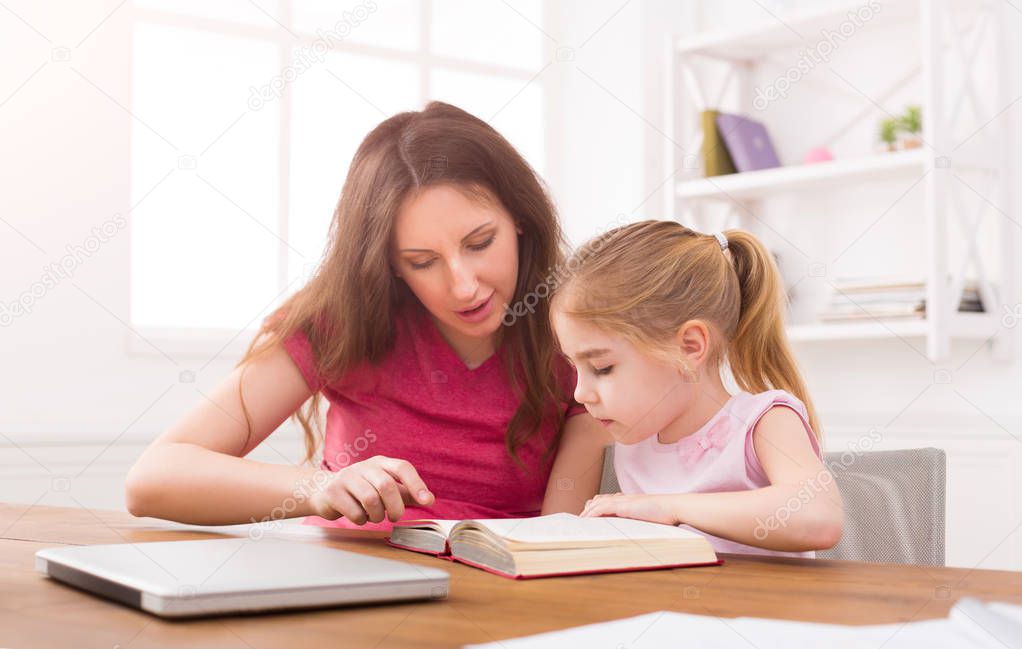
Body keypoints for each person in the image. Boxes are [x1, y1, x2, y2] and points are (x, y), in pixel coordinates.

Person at [125, 102, 609, 530]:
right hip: (347, 588)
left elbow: (558, 540)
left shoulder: (572, 335)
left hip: (492, 602)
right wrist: (319, 487)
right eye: (422, 261)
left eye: (480, 243)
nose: (464, 286)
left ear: (520, 218)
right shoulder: (341, 321)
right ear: (390, 264)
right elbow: (153, 479)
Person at [551, 220, 843, 556]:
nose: (579, 393)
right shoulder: (635, 439)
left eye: (602, 368)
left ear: (689, 347)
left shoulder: (765, 422)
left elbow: (820, 517)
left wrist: (671, 508)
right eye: (575, 368)